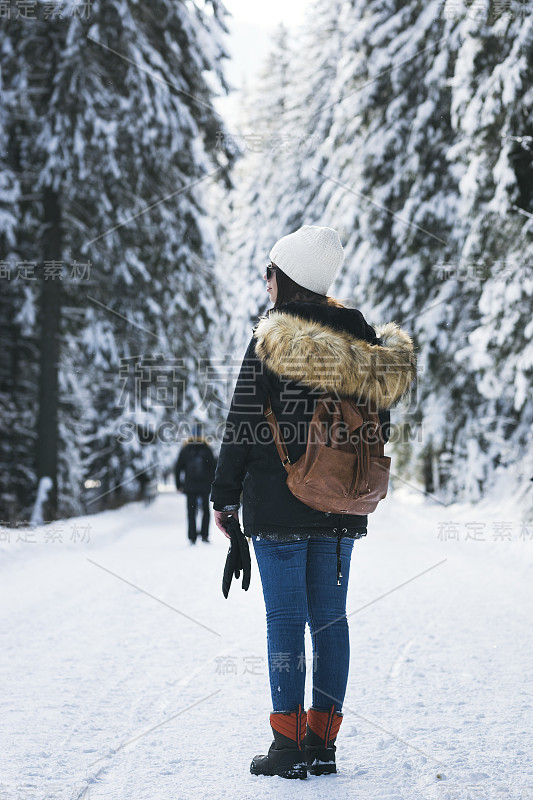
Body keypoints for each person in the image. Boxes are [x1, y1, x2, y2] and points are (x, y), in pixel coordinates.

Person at [210, 225, 416, 779]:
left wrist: (224, 498)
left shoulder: (272, 339)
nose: (266, 283)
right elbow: (381, 424)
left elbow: (243, 423)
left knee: (285, 620)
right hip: (341, 504)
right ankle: (323, 744)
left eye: (270, 273)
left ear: (288, 278)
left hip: (279, 504)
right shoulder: (363, 342)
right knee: (330, 621)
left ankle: (287, 747)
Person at [175, 423, 217, 544]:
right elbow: (214, 467)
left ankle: (192, 537)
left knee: (191, 511)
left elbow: (178, 468)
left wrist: (179, 485)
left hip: (190, 486)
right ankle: (204, 535)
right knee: (205, 510)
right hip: (205, 486)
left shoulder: (186, 449)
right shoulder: (206, 449)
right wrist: (214, 484)